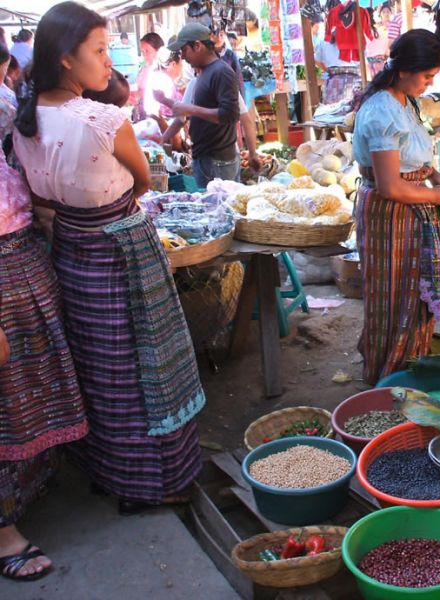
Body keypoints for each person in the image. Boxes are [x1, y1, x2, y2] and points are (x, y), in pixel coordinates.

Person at [13, 1, 205, 516]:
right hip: (124, 249)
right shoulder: (103, 118)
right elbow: (143, 182)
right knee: (149, 367)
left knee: (100, 367)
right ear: (66, 60)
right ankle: (157, 482)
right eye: (98, 50)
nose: (107, 61)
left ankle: (110, 472)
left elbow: (42, 199)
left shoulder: (24, 122)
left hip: (72, 250)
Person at [0, 92, 88, 583]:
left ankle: (27, 492)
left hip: (24, 268)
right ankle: (3, 532)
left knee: (29, 393)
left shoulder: (6, 120)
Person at [352, 29, 440, 384]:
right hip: (391, 216)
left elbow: (411, 160)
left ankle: (409, 366)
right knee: (394, 297)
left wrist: (436, 176)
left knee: (411, 295)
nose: (430, 82)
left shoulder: (406, 102)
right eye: (427, 75)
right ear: (404, 70)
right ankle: (388, 375)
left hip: (411, 212)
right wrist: (437, 195)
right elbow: (390, 186)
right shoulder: (381, 112)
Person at [166, 22, 240, 187]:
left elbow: (230, 115)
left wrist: (191, 109)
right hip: (208, 159)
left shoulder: (221, 72)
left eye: (184, 50)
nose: (183, 57)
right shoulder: (205, 72)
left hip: (217, 162)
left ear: (197, 46)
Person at [133, 32, 164, 119]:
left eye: (147, 51)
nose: (144, 55)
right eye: (142, 52)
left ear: (158, 50)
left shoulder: (161, 71)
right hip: (143, 112)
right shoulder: (145, 68)